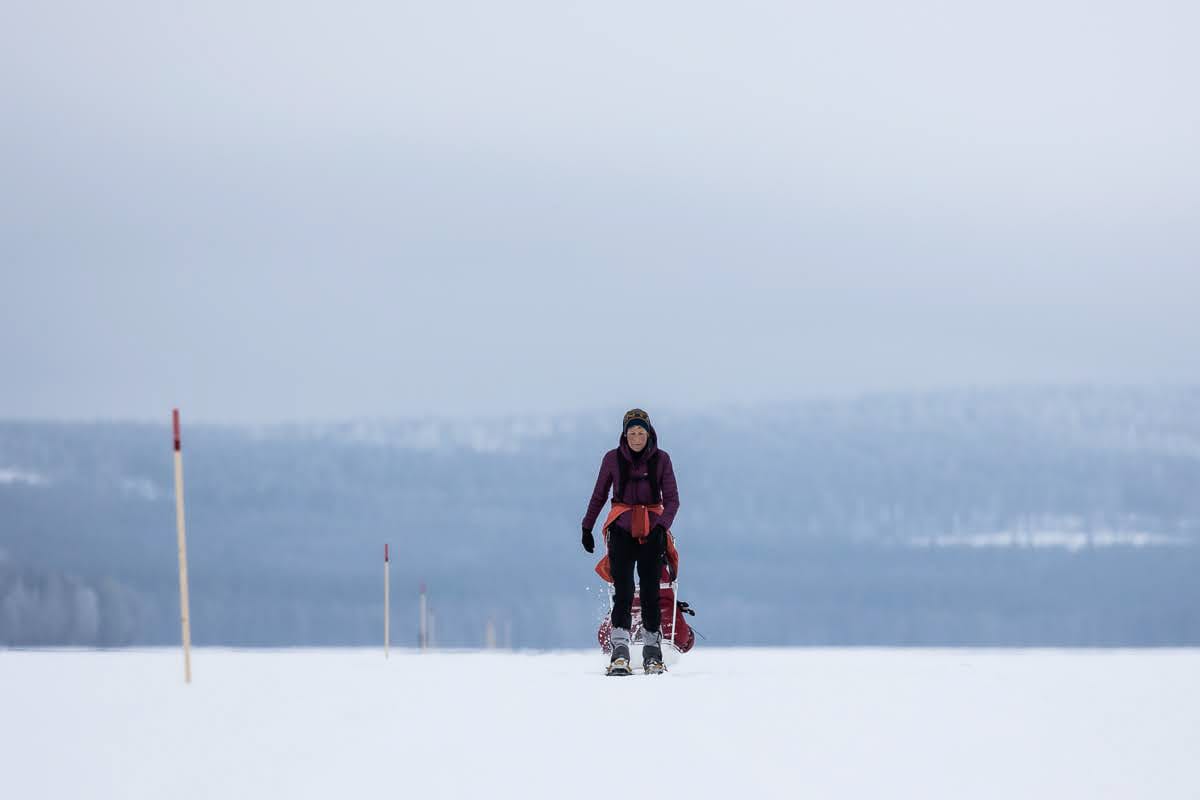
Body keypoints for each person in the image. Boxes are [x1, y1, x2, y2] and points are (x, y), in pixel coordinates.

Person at [581, 408, 680, 675]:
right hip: (621, 531)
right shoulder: (612, 459)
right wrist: (587, 527)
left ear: (650, 434)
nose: (637, 438)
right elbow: (599, 495)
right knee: (623, 590)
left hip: (652, 531)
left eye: (641, 432)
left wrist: (661, 527)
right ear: (624, 435)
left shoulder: (662, 460)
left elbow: (672, 500)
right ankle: (620, 649)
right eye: (632, 433)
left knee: (650, 591)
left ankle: (652, 650)